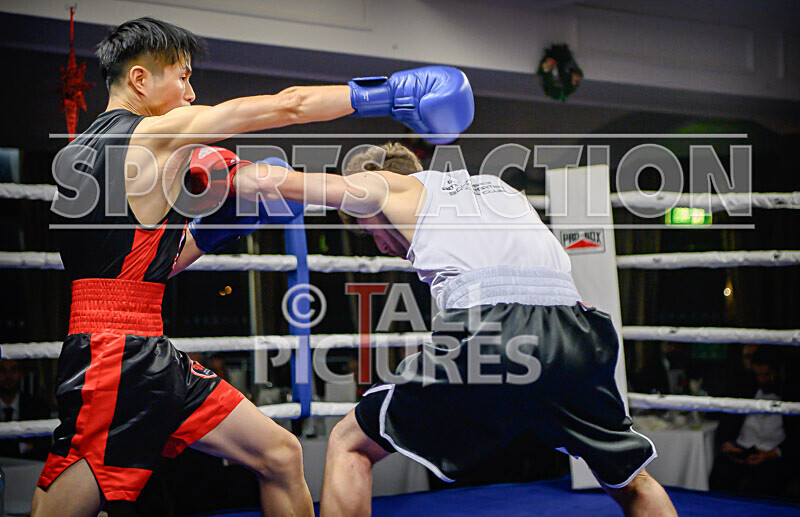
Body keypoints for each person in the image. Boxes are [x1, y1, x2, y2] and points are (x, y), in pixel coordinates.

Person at [37, 15, 473, 517]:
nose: (191, 93)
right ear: (140, 79)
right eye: (182, 77)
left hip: (144, 350)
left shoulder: (84, 151)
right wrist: (386, 95)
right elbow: (286, 106)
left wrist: (209, 232)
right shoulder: (154, 134)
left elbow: (131, 271)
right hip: (114, 361)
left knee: (281, 455)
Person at [229, 142, 677, 516]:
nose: (384, 247)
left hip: (494, 333)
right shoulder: (497, 188)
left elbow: (296, 185)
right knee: (631, 481)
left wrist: (234, 172)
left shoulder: (384, 182)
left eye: (367, 232)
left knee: (349, 442)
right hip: (578, 334)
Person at [709, 347, 788, 497]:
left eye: (767, 375)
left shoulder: (791, 395)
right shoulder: (745, 388)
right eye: (758, 375)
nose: (762, 379)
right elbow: (727, 421)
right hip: (742, 450)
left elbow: (796, 439)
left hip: (772, 456)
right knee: (721, 470)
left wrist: (771, 454)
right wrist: (728, 444)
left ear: (780, 371)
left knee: (768, 480)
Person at [0, 359, 51, 460]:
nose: (8, 376)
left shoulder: (38, 406)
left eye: (13, 370)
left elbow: (43, 448)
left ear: (21, 373)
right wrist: (23, 447)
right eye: (2, 370)